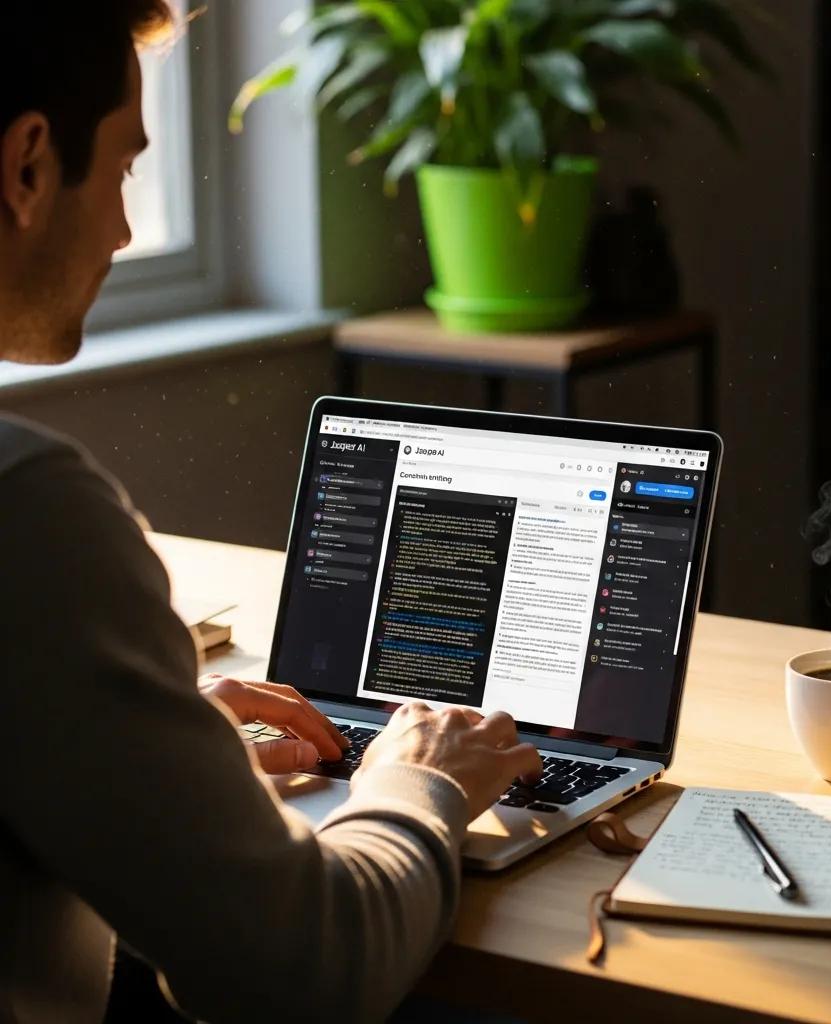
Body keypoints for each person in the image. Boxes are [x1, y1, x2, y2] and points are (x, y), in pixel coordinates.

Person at [0, 4, 541, 1022]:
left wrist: (151, 761)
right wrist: (417, 780)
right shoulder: (26, 511)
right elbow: (301, 974)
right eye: (122, 169)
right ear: (27, 164)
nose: (123, 228)